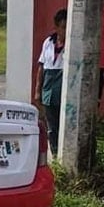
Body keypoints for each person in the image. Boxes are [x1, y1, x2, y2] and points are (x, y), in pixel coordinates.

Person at [34, 9, 67, 156]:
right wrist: (37, 90)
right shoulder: (48, 42)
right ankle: (54, 153)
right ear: (57, 27)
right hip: (49, 85)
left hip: (63, 84)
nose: (66, 31)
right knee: (52, 125)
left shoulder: (73, 44)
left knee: (64, 124)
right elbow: (41, 67)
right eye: (63, 27)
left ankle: (64, 152)